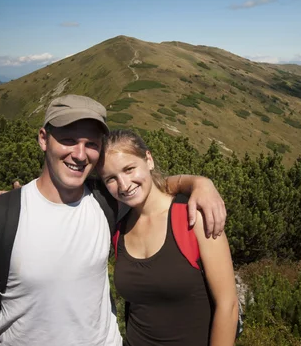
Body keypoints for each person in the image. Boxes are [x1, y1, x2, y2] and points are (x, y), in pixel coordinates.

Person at [0, 95, 227, 346]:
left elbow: (145, 187)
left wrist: (200, 183)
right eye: (68, 140)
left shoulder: (106, 202)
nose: (80, 154)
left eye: (90, 144)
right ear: (43, 139)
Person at [99, 129, 239, 346]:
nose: (124, 185)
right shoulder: (119, 229)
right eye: (111, 179)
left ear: (148, 159)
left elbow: (228, 306)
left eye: (129, 169)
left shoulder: (193, 218)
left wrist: (200, 182)